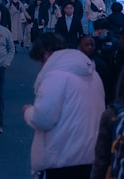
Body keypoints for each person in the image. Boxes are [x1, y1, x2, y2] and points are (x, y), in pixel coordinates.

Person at [24, 33, 106, 178]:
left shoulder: (55, 77)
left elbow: (42, 118)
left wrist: (29, 112)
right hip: (88, 154)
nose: (41, 66)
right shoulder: (93, 74)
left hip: (59, 156)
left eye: (40, 61)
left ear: (47, 54)